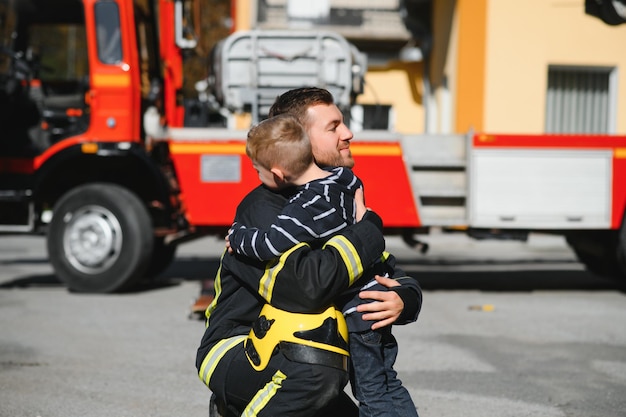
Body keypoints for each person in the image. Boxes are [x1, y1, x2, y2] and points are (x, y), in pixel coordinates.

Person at [196, 87, 422, 417]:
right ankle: (234, 406)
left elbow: (380, 269)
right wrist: (369, 231)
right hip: (239, 348)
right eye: (333, 127)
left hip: (301, 357)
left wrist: (404, 298)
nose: (348, 133)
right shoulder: (263, 209)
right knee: (315, 348)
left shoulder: (328, 200)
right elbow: (307, 289)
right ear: (298, 139)